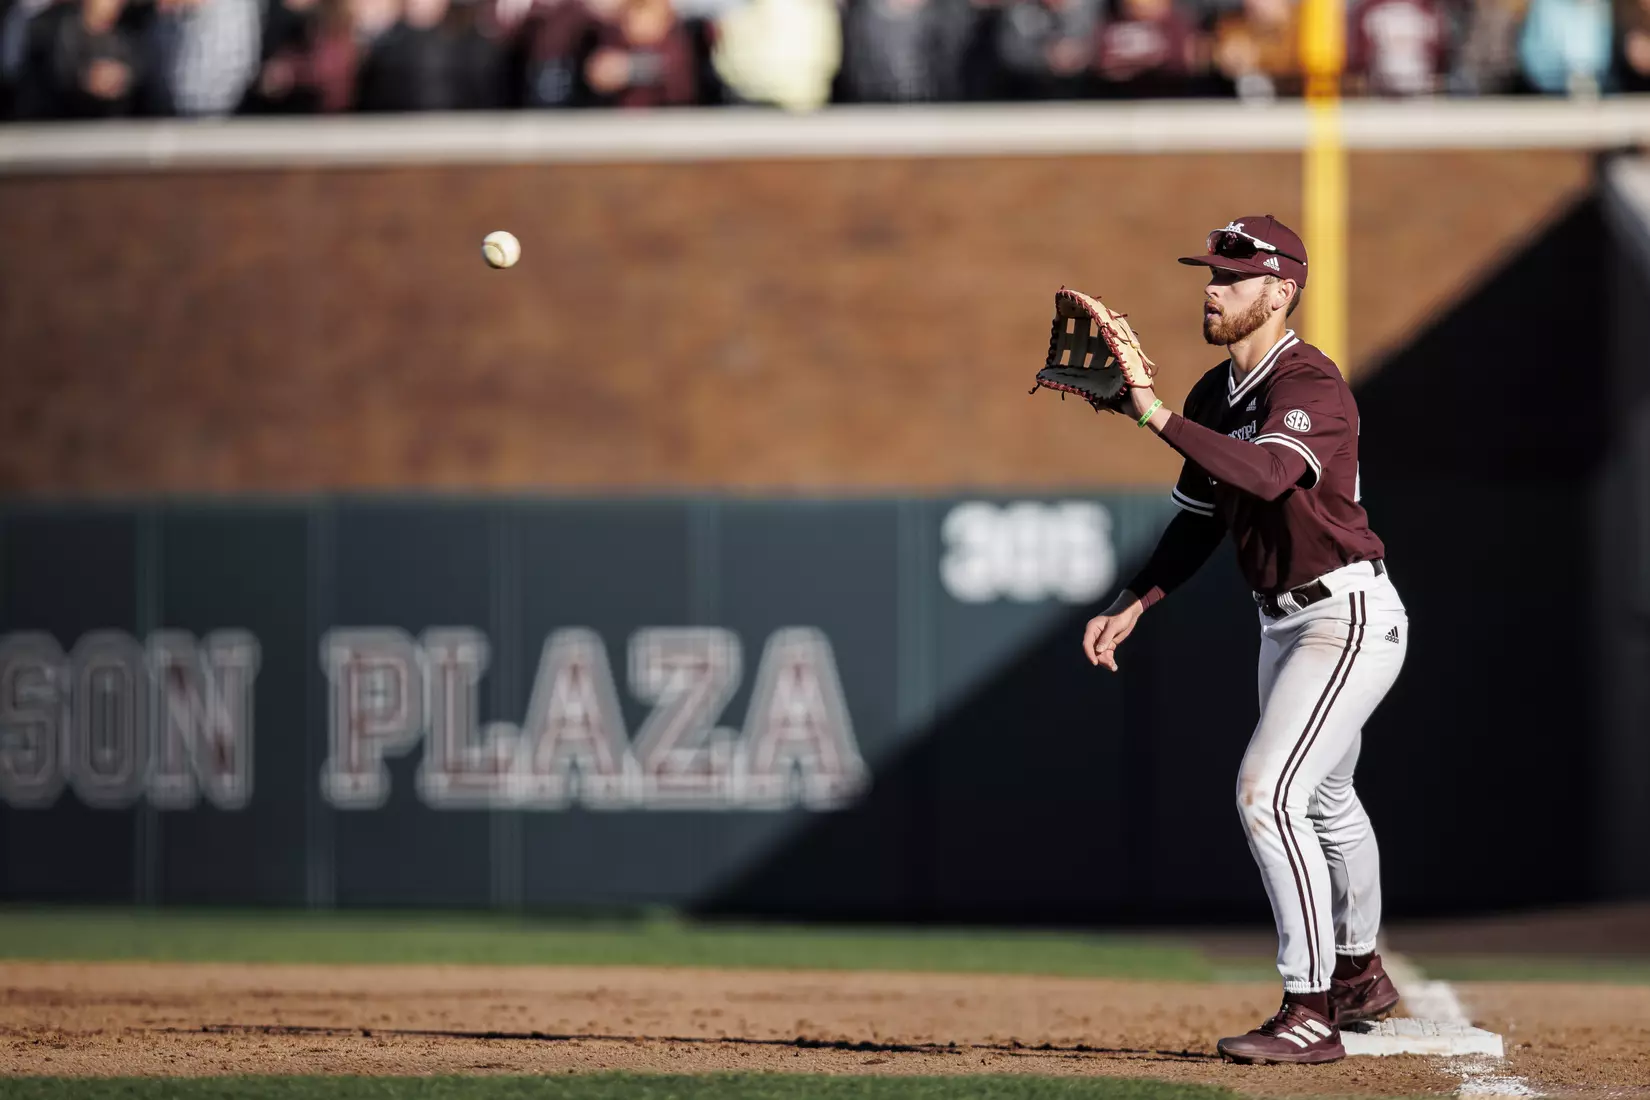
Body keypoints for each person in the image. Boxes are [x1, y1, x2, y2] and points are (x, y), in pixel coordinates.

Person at [1081, 215, 1407, 1065]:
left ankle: (1309, 1007)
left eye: (1231, 275)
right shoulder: (1211, 393)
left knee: (1268, 794)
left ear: (1280, 291)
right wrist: (1138, 600)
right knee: (1327, 801)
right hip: (1283, 619)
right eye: (1210, 272)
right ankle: (1362, 974)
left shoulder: (1311, 384)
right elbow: (1198, 519)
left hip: (1345, 615)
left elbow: (1266, 474)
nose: (1212, 287)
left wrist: (1149, 414)